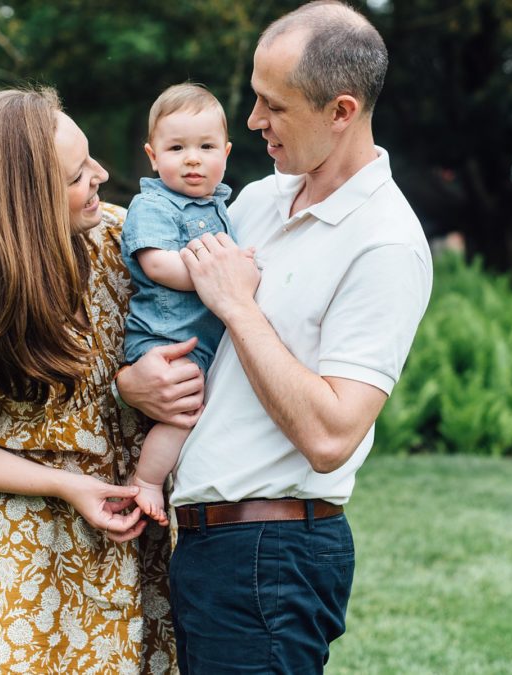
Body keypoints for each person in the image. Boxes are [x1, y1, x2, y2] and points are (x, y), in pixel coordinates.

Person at [163, 2, 434, 672]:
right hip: (206, 547)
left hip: (271, 558)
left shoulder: (386, 243)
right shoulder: (257, 198)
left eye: (273, 106)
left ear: (341, 111)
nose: (253, 122)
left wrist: (239, 307)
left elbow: (330, 435)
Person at [0, 87, 197, 674]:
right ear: (25, 202)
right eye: (79, 173)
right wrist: (65, 486)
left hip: (134, 519)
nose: (103, 175)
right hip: (19, 538)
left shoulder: (121, 242)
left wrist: (133, 385)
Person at [120, 83, 247, 525]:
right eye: (177, 148)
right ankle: (148, 481)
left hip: (198, 343)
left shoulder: (222, 206)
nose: (193, 158)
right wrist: (221, 274)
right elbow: (157, 265)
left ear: (226, 153)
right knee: (183, 416)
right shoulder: (152, 204)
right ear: (153, 156)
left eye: (206, 146)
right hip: (164, 341)